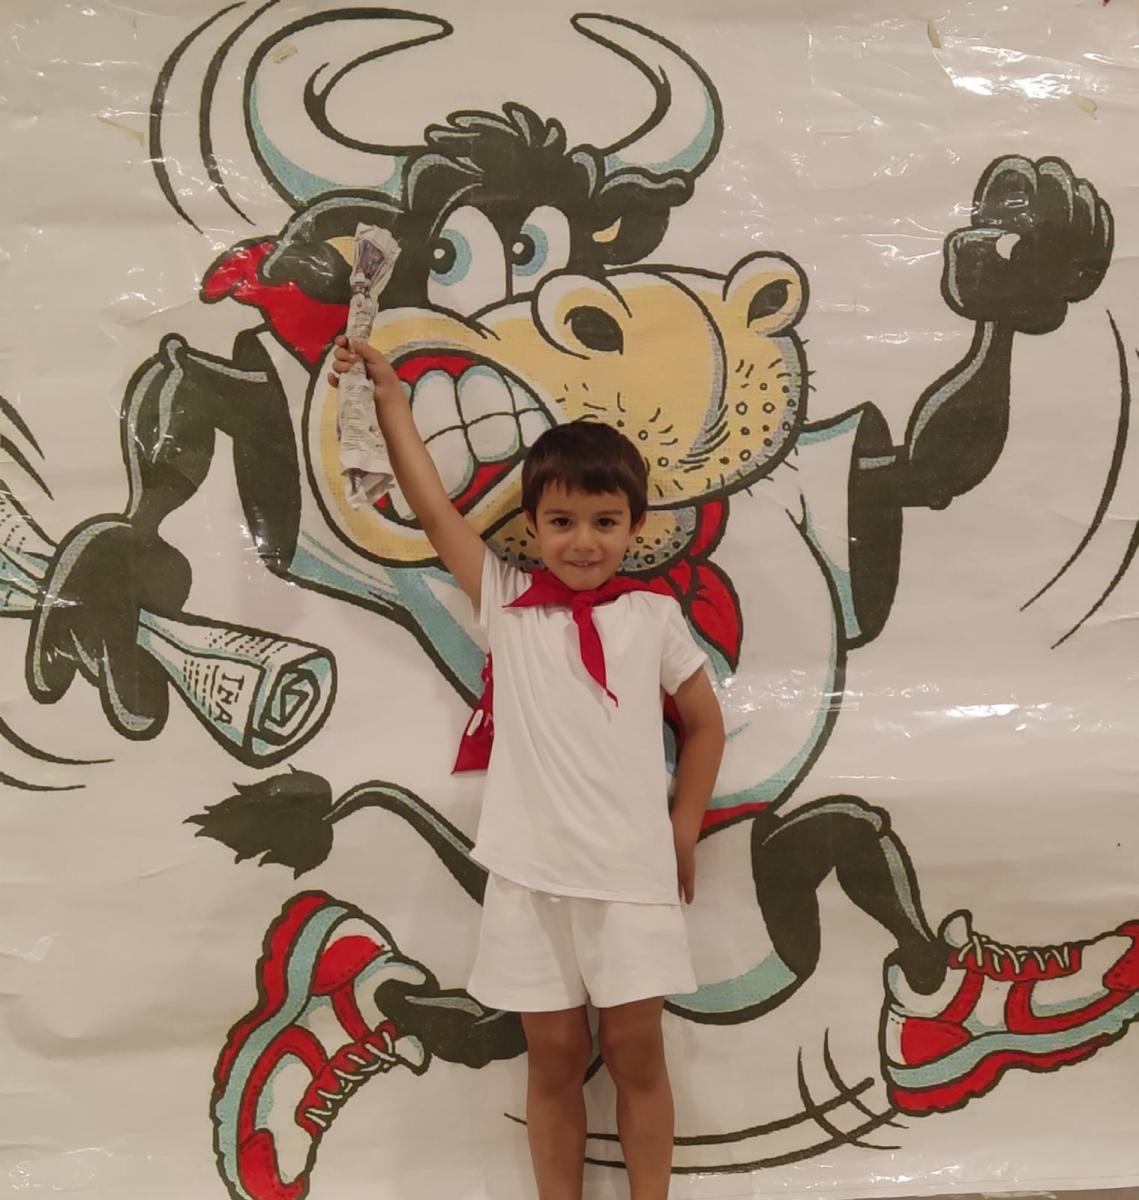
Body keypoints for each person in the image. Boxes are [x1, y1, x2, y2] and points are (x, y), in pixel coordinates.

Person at [328, 334, 725, 1200]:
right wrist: (391, 401)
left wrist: (682, 829)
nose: (582, 541)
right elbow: (432, 510)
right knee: (552, 1055)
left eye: (604, 521)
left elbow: (703, 725)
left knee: (635, 1053)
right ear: (534, 526)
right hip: (529, 875)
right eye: (561, 522)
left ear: (634, 525)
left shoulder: (652, 618)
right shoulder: (506, 603)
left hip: (630, 878)